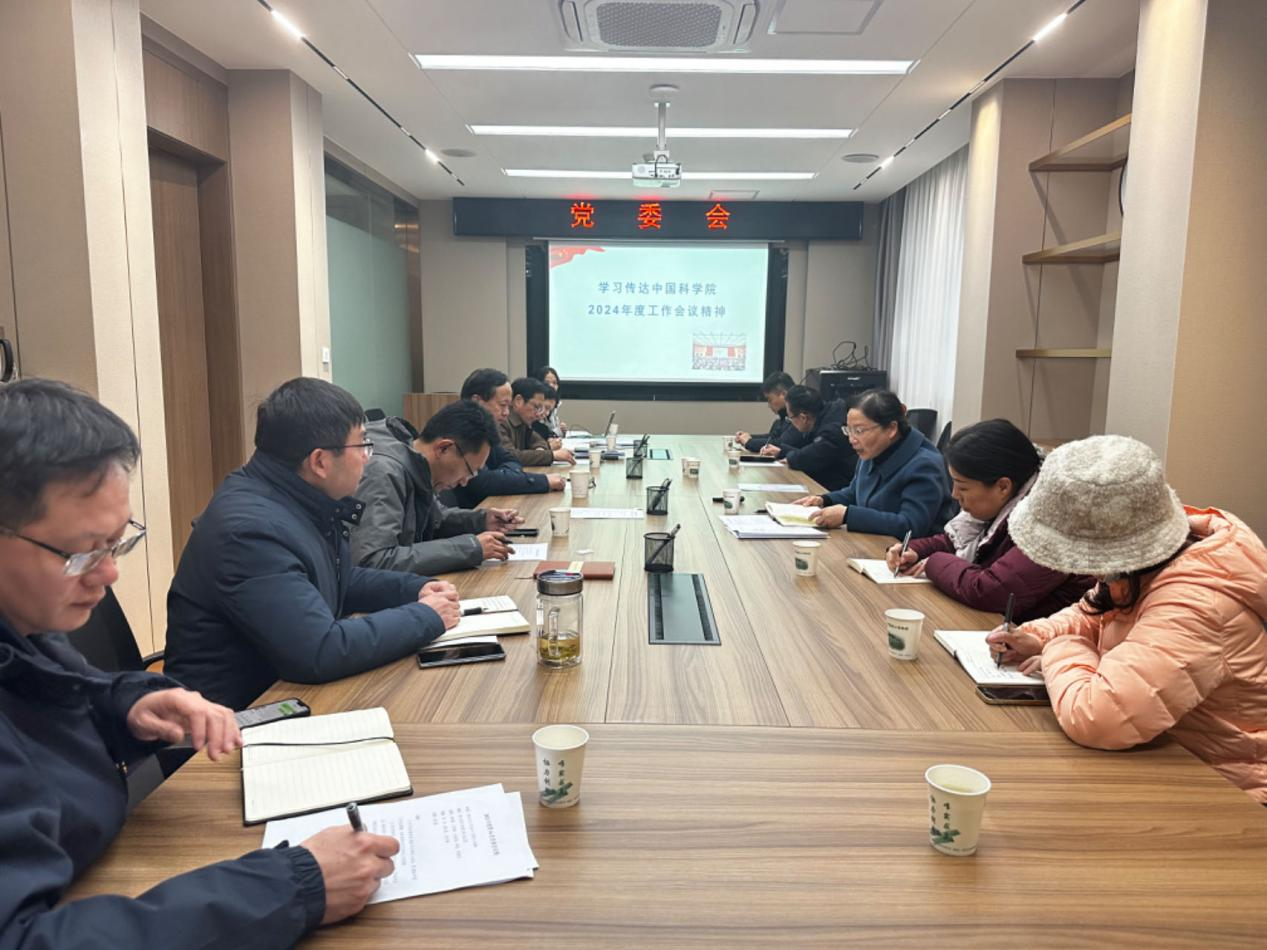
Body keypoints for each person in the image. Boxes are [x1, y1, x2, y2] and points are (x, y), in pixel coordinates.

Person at [0, 378, 399, 946]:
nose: (109, 574)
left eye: (117, 543)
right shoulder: (250, 522)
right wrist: (294, 884)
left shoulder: (24, 625)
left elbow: (56, 693)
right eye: (82, 552)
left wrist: (130, 704)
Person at [984, 436, 1267, 802]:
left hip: (1229, 792)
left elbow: (1098, 718)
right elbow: (1094, 612)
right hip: (1163, 757)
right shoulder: (1145, 566)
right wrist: (1036, 635)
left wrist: (1059, 647)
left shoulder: (1197, 604)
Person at [165, 378, 460, 711]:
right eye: (362, 445)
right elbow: (319, 651)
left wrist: (416, 589)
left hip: (283, 694)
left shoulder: (298, 499)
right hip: (232, 720)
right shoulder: (251, 531)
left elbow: (338, 578)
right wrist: (425, 617)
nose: (368, 458)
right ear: (320, 461)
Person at [885, 419, 1092, 621]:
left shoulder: (1053, 522)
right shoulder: (1006, 500)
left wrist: (934, 562)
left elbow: (991, 591)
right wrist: (915, 550)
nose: (954, 495)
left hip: (1035, 636)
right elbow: (956, 541)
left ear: (1003, 487)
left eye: (962, 487)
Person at [352, 401, 526, 574]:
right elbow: (374, 560)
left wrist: (481, 520)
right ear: (444, 448)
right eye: (469, 470)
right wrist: (469, 548)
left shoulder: (414, 461)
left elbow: (434, 518)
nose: (465, 481)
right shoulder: (383, 473)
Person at [795, 389, 955, 536]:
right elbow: (855, 492)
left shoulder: (924, 465)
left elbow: (910, 525)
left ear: (891, 429)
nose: (852, 439)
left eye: (859, 431)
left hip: (907, 553)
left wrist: (848, 515)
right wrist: (824, 500)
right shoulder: (873, 450)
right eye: (848, 430)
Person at [446, 369, 565, 507]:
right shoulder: (460, 432)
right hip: (469, 513)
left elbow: (511, 460)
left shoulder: (485, 431)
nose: (507, 413)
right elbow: (484, 482)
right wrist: (543, 481)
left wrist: (504, 475)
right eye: (503, 405)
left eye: (508, 406)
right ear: (476, 402)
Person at [762, 385, 856, 491]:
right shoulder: (825, 416)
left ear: (803, 418)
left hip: (843, 488)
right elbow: (809, 451)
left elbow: (812, 456)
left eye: (790, 417)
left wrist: (789, 457)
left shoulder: (832, 428)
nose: (791, 422)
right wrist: (782, 452)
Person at [498, 377, 574, 467]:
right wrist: (552, 455)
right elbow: (511, 456)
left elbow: (539, 441)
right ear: (518, 401)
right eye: (536, 407)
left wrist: (540, 450)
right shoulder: (501, 422)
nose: (538, 414)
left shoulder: (523, 422)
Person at [735, 371, 804, 454]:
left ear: (784, 395)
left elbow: (781, 443)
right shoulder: (783, 417)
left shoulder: (800, 415)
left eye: (770, 400)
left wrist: (749, 442)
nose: (769, 405)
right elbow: (772, 437)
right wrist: (749, 437)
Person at [533, 365, 566, 437]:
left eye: (554, 383)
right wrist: (556, 432)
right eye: (547, 383)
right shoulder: (534, 407)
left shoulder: (554, 404)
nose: (551, 386)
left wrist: (561, 430)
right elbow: (541, 434)